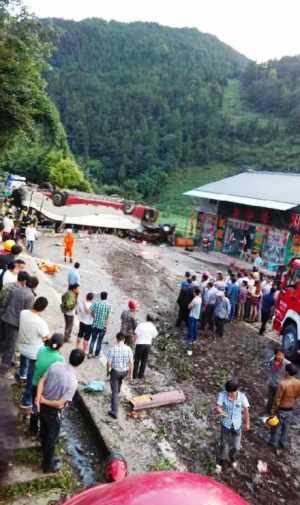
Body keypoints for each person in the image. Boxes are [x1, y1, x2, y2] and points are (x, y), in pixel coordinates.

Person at [36, 349, 85, 473]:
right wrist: (43, 401)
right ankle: (47, 466)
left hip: (43, 406)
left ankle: (44, 451)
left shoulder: (55, 365)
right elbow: (60, 404)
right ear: (80, 363)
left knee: (44, 430)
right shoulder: (73, 382)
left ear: (69, 356)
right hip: (53, 412)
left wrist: (39, 398)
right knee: (52, 438)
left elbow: (42, 380)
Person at [1, 275, 38, 370]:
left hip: (5, 318)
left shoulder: (16, 289)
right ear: (35, 286)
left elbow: (7, 303)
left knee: (5, 341)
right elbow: (27, 314)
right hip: (14, 323)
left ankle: (9, 361)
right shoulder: (30, 296)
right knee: (11, 346)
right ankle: (4, 368)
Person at [30, 333, 65, 436]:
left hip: (34, 383)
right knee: (44, 410)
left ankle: (32, 430)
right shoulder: (59, 359)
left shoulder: (41, 349)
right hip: (46, 389)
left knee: (35, 407)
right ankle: (42, 434)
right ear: (60, 346)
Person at [17, 297, 49, 407]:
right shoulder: (41, 322)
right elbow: (46, 338)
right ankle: (26, 400)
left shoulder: (23, 313)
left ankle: (21, 374)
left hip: (21, 347)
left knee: (24, 360)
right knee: (32, 376)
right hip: (33, 353)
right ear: (44, 308)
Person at [216, 380, 250, 471]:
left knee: (236, 447)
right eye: (228, 392)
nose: (230, 395)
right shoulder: (222, 395)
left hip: (237, 425)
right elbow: (218, 406)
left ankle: (232, 457)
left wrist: (247, 423)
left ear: (236, 390)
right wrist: (222, 412)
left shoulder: (242, 397)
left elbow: (246, 411)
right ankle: (221, 461)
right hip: (226, 424)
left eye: (232, 393)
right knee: (223, 444)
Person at [270, 364, 300, 449]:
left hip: (281, 408)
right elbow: (298, 395)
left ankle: (273, 442)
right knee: (286, 428)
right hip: (290, 408)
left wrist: (273, 409)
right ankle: (283, 442)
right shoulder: (298, 383)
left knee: (275, 426)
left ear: (287, 372)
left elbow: (277, 399)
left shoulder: (283, 384)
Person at [107, 333, 133, 419]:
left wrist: (108, 371)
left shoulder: (113, 349)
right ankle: (117, 391)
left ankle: (114, 411)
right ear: (124, 340)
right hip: (124, 372)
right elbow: (131, 363)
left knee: (114, 392)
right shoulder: (129, 349)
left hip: (115, 372)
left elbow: (109, 363)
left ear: (117, 339)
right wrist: (130, 374)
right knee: (119, 381)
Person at [266, 347, 290, 415]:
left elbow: (288, 376)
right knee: (270, 399)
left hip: (280, 386)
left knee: (277, 401)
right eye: (279, 355)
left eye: (282, 355)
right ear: (275, 355)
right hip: (272, 383)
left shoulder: (287, 364)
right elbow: (269, 370)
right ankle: (267, 411)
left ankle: (275, 414)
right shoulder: (271, 361)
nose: (281, 357)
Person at [133, 315, 158, 379]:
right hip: (147, 345)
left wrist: (134, 342)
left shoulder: (141, 325)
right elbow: (155, 336)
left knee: (136, 360)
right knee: (144, 361)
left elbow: (136, 334)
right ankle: (140, 375)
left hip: (140, 344)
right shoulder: (153, 327)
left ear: (146, 318)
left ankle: (134, 375)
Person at [89, 291, 111, 358]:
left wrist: (94, 317)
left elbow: (91, 311)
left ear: (100, 296)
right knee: (99, 341)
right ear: (106, 297)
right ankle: (96, 354)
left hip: (95, 324)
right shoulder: (108, 305)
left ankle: (90, 353)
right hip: (102, 326)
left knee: (93, 339)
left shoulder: (96, 303)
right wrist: (106, 325)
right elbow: (108, 317)